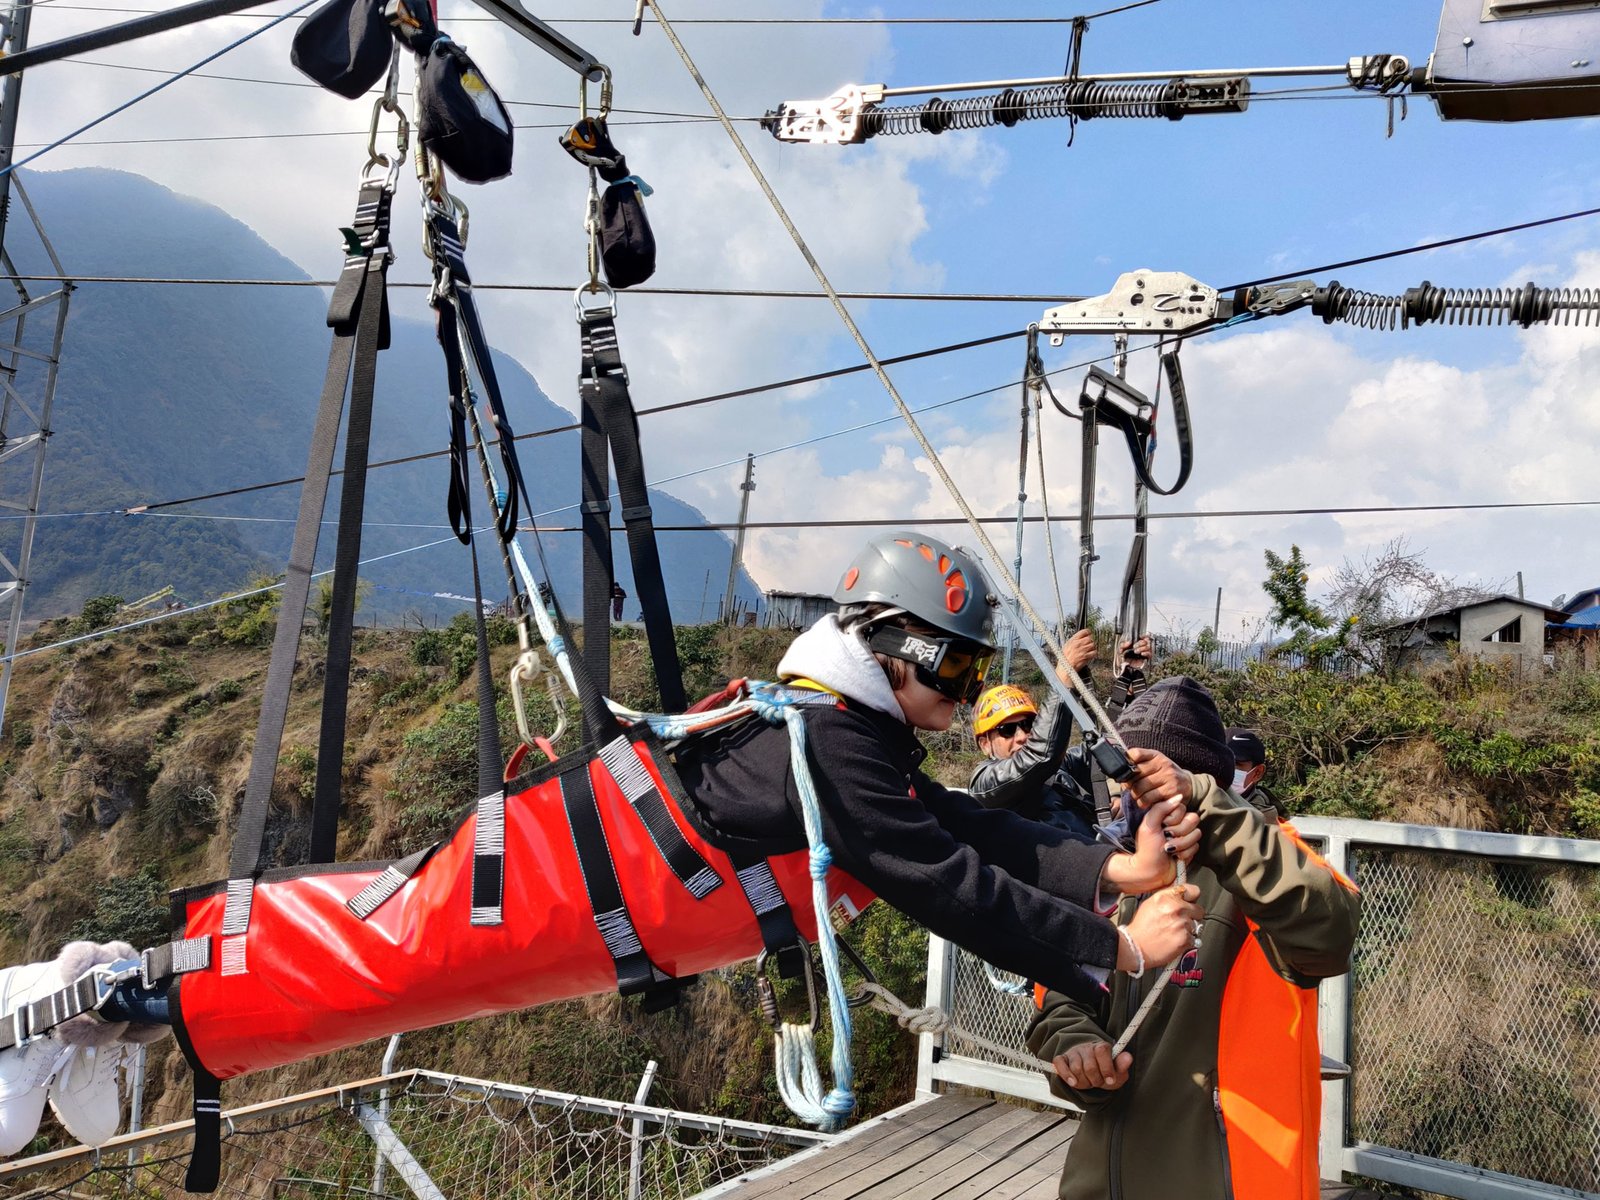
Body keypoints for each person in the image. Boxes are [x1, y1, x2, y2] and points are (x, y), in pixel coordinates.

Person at [674, 531, 1209, 1004]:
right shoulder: (828, 742)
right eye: (956, 667)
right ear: (895, 643)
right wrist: (1122, 946)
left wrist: (1120, 870)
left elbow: (965, 823)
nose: (967, 692)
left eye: (976, 672)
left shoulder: (839, 726)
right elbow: (949, 886)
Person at [1026, 676, 1362, 1200]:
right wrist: (1076, 1046)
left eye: (1149, 782)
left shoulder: (1267, 864)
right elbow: (1060, 995)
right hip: (1101, 1181)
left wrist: (1212, 813)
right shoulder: (1111, 870)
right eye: (1124, 781)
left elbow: (1330, 929)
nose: (1130, 799)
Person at [969, 632, 1153, 840]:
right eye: (1007, 730)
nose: (1021, 736)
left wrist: (1128, 686)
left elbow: (1109, 750)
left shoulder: (1062, 767)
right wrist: (1063, 679)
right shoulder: (985, 785)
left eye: (1028, 724)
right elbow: (1040, 756)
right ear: (985, 744)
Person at [1225, 726, 1279, 819]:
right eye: (1220, 760)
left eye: (1236, 763)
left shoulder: (1261, 818)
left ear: (1257, 772)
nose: (1224, 767)